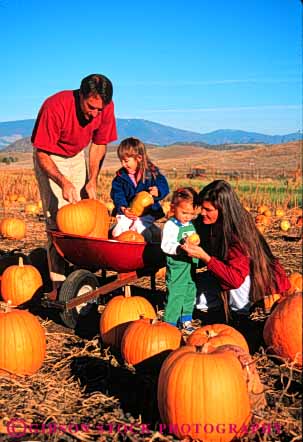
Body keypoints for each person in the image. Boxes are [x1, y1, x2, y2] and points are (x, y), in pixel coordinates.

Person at [31, 74, 117, 288]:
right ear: (81, 95)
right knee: (57, 219)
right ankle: (59, 284)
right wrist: (63, 181)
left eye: (100, 109)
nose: (95, 113)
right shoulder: (55, 106)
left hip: (76, 155)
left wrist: (92, 180)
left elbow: (99, 143)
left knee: (85, 214)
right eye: (91, 107)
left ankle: (81, 275)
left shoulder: (105, 106)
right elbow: (42, 153)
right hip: (50, 156)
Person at [181, 180, 290, 324]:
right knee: (188, 297)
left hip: (253, 281)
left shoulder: (238, 232)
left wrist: (205, 257)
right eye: (202, 207)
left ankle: (240, 315)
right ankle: (223, 300)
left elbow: (235, 278)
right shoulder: (209, 222)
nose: (202, 213)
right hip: (224, 275)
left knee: (238, 282)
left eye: (208, 209)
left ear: (223, 209)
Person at [110, 137, 169, 241]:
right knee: (117, 232)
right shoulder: (120, 177)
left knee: (142, 231)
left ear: (139, 158)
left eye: (126, 161)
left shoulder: (152, 173)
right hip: (127, 212)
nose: (123, 164)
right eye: (121, 161)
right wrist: (123, 208)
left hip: (146, 213)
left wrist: (158, 191)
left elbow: (164, 185)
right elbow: (117, 194)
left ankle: (144, 251)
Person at [161, 187, 199, 332]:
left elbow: (193, 239)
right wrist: (179, 248)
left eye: (191, 214)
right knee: (176, 293)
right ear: (173, 208)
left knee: (190, 291)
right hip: (177, 265)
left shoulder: (189, 225)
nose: (188, 217)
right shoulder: (171, 226)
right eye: (184, 213)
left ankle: (186, 319)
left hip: (190, 265)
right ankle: (170, 323)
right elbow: (166, 245)